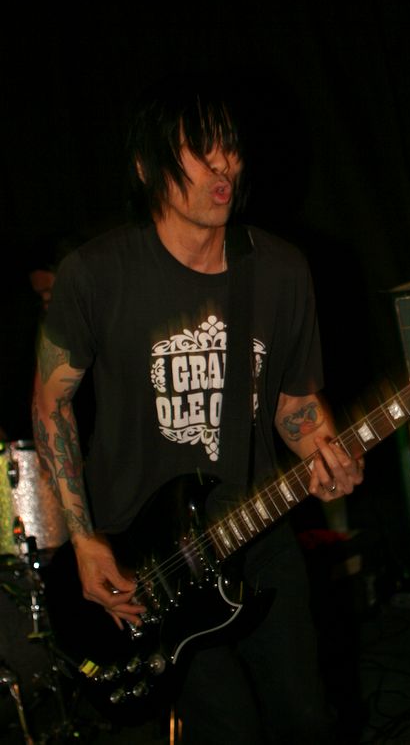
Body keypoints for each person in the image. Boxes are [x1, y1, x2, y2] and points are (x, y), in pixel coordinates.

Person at [31, 72, 364, 744]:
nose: (224, 168)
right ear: (146, 166)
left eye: (230, 148)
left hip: (254, 528)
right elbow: (51, 404)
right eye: (201, 151)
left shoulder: (279, 269)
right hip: (147, 556)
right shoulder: (96, 275)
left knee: (306, 719)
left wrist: (332, 456)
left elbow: (296, 403)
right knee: (228, 730)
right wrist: (85, 541)